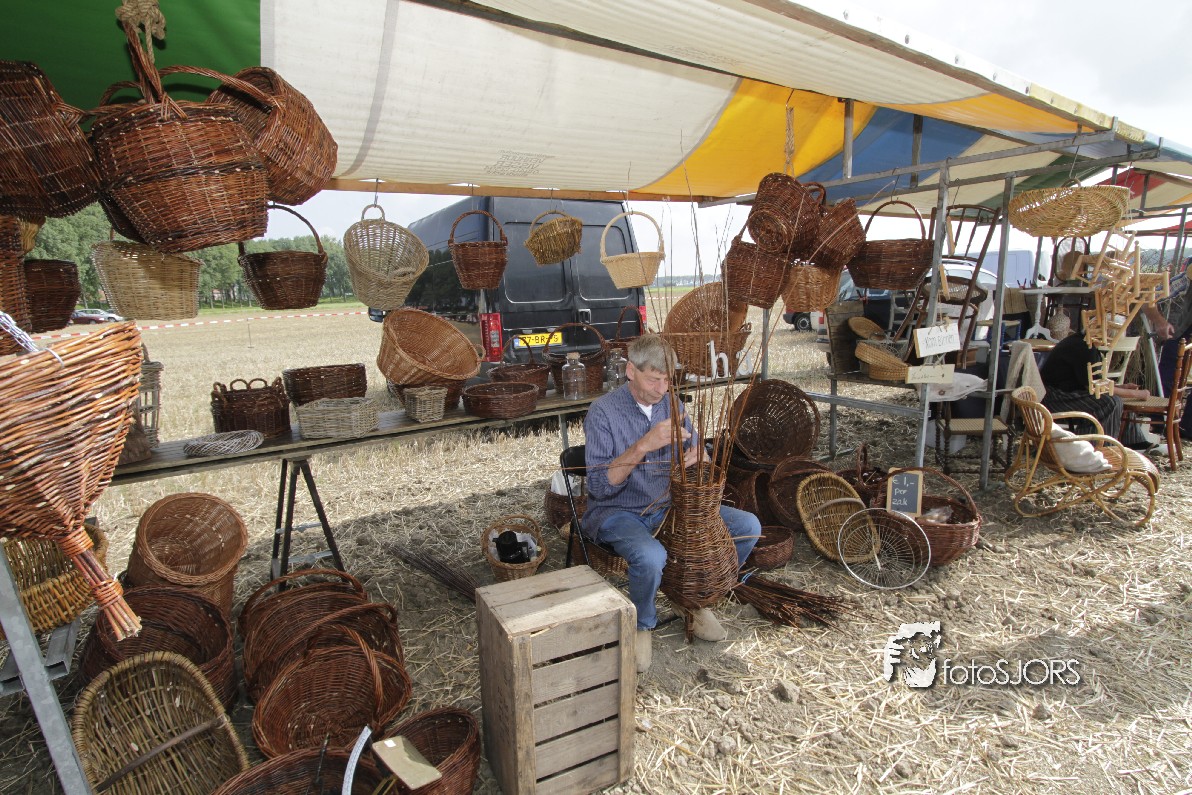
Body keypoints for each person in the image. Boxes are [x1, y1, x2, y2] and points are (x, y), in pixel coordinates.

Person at [582, 334, 760, 673]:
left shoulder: (672, 404)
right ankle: (643, 623)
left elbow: (699, 452)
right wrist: (643, 445)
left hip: (669, 506)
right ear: (631, 371)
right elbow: (600, 487)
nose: (662, 389)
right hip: (619, 511)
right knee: (650, 556)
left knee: (747, 527)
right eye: (654, 379)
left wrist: (699, 457)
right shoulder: (602, 412)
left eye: (668, 379)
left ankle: (690, 599)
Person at [1038, 329, 1154, 448]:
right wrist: (1136, 394)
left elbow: (1094, 381)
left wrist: (1121, 387)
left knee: (1116, 398)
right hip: (1055, 397)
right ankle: (1097, 447)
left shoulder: (1085, 343)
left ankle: (1134, 441)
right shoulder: (1083, 347)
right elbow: (1094, 386)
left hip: (1068, 392)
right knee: (1110, 402)